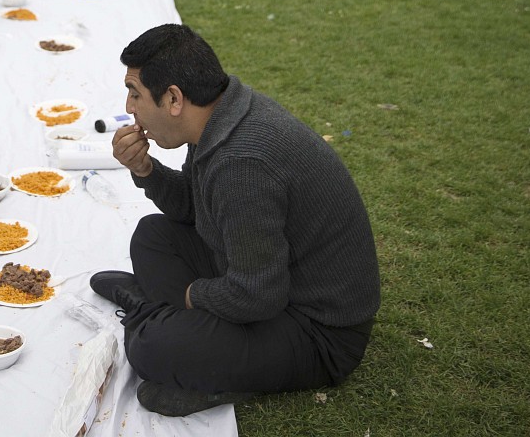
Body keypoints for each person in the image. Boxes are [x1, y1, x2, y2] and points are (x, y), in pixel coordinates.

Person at [89, 24, 381, 417]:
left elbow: (258, 294)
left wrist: (191, 295)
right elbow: (194, 210)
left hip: (318, 332)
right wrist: (145, 170)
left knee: (151, 348)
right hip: (270, 282)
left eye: (136, 93)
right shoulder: (221, 115)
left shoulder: (241, 163)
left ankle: (153, 318)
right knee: (152, 236)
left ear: (174, 98)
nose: (129, 107)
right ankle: (156, 314)